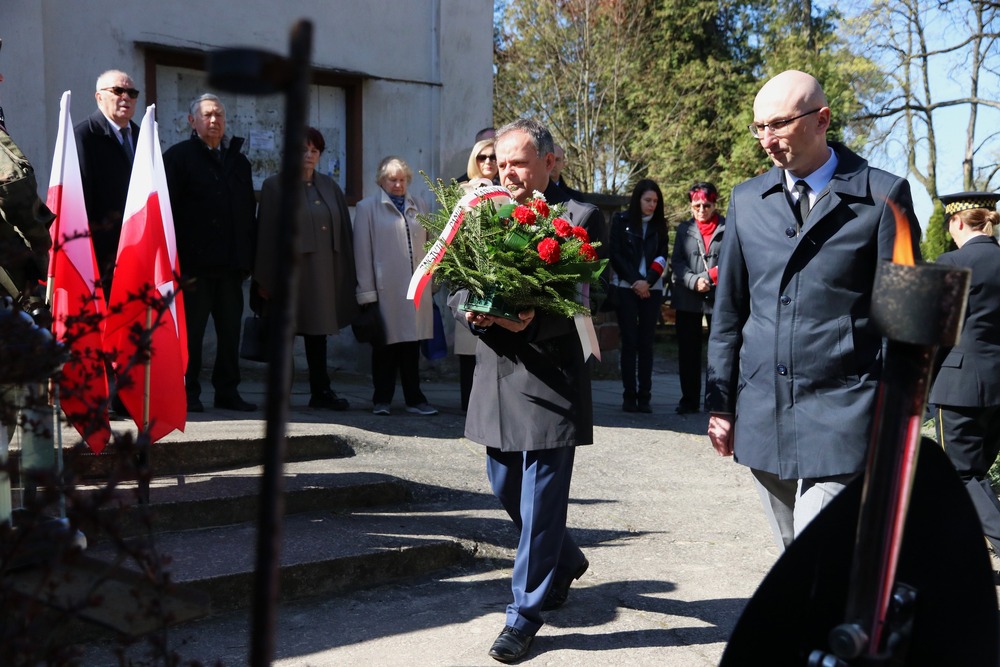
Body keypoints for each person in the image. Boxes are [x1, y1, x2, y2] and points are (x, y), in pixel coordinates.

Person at [705, 70, 922, 551]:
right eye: (758, 127)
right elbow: (729, 311)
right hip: (762, 410)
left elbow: (909, 319)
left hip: (845, 410)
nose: (766, 139)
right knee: (796, 556)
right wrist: (720, 403)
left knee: (813, 550)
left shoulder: (884, 197)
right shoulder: (746, 200)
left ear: (822, 119)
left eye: (778, 124)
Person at [460, 118, 593, 664]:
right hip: (495, 375)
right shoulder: (478, 212)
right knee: (503, 485)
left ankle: (523, 615)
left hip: (549, 378)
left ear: (548, 162)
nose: (507, 172)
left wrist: (533, 318)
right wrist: (469, 312)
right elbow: (455, 280)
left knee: (540, 504)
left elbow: (586, 295)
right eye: (500, 161)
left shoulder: (578, 217)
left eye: (518, 162)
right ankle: (564, 560)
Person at [164, 94, 258, 413]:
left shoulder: (238, 162)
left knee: (230, 334)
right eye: (207, 115)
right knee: (191, 335)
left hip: (231, 267)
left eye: (218, 114)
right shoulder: (178, 158)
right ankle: (187, 391)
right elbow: (168, 212)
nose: (214, 120)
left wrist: (248, 259)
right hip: (193, 268)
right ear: (193, 121)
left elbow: (247, 213)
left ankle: (227, 392)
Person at [254, 127, 358, 410]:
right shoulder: (275, 186)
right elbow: (265, 235)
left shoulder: (330, 187)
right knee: (283, 335)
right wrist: (264, 279)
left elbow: (344, 234)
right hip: (289, 276)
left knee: (318, 335)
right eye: (302, 150)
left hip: (322, 274)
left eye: (314, 150)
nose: (308, 156)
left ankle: (321, 391)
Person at [930, 192, 1000, 559]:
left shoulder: (952, 262)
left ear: (957, 222)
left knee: (960, 475)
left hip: (959, 389)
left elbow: (932, 332)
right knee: (977, 476)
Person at [353, 156, 438, 416]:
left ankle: (415, 398)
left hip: (415, 290)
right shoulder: (367, 208)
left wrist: (431, 283)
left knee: (412, 346)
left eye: (402, 180)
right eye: (393, 179)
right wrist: (366, 291)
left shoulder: (420, 204)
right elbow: (361, 252)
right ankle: (382, 399)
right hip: (385, 289)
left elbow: (430, 245)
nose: (398, 184)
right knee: (385, 346)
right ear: (382, 180)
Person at [74, 70, 140, 296]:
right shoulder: (84, 135)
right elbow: (80, 199)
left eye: (132, 92)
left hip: (137, 249)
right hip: (101, 253)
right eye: (118, 90)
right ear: (99, 97)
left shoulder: (143, 136)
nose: (126, 97)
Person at [608, 179, 669, 413]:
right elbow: (616, 254)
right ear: (638, 200)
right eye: (648, 200)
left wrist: (648, 282)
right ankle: (629, 395)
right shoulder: (621, 221)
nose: (652, 205)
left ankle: (645, 396)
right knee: (629, 342)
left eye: (655, 201)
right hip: (626, 288)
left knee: (646, 343)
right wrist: (636, 281)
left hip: (651, 290)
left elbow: (662, 256)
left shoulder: (660, 225)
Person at [671, 182, 725, 414]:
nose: (702, 209)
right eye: (696, 205)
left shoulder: (727, 227)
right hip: (688, 297)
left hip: (718, 297)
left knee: (719, 351)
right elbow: (677, 263)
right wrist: (694, 281)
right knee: (688, 352)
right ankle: (689, 399)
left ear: (714, 204)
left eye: (707, 205)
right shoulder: (684, 229)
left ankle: (717, 400)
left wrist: (708, 278)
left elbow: (732, 259)